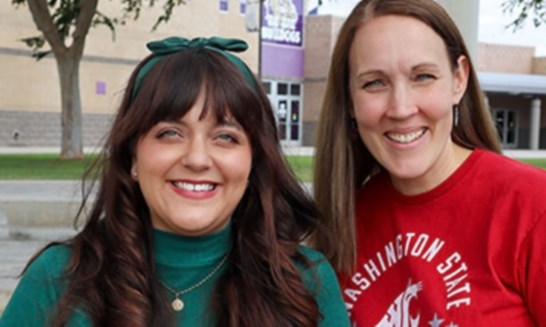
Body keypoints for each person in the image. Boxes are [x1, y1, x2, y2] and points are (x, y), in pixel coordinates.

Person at [0, 36, 350, 327]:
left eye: (225, 136)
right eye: (170, 133)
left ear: (254, 160)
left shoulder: (306, 283)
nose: (197, 159)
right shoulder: (57, 279)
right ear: (133, 156)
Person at [311, 0, 546, 326]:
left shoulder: (539, 209)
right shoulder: (339, 225)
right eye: (375, 83)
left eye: (422, 76)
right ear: (350, 101)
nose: (401, 108)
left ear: (458, 79)